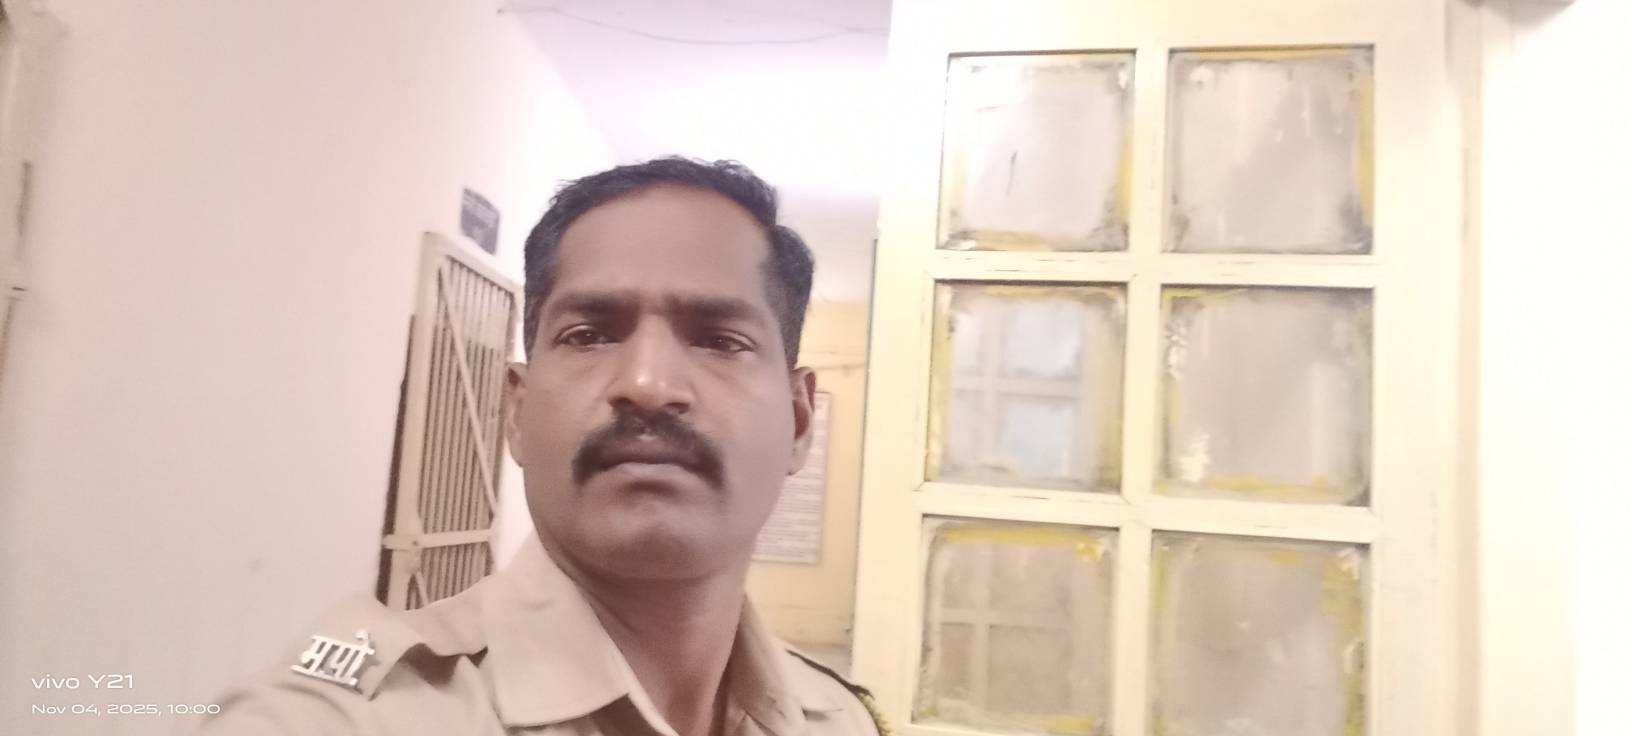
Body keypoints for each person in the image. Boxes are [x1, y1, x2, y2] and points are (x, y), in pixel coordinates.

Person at [199, 158, 884, 736]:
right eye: (589, 335)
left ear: (799, 422)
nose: (647, 385)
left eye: (719, 340)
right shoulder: (343, 715)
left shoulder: (841, 720)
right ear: (518, 411)